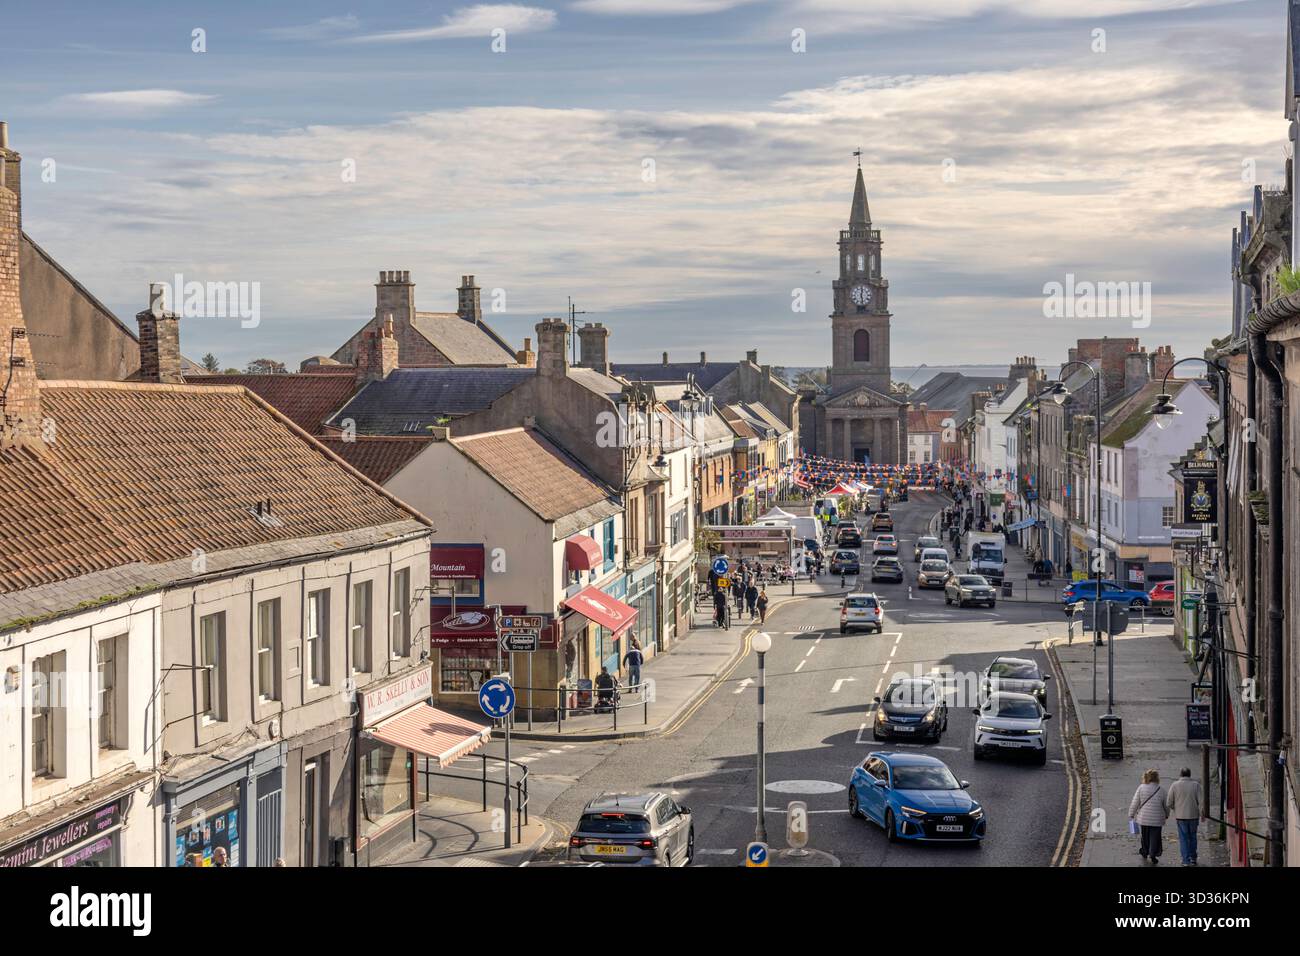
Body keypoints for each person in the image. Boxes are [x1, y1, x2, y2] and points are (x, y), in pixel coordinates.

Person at [1129, 769, 1168, 865]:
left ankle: (1145, 851)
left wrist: (1131, 813)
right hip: (1157, 819)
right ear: (1157, 778)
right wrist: (1167, 814)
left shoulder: (1141, 788)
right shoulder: (1161, 789)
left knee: (1145, 835)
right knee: (1155, 837)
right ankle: (1153, 853)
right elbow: (1166, 805)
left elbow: (1135, 802)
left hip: (1144, 818)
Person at [1166, 768, 1201, 866]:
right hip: (1193, 815)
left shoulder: (1174, 785)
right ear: (1190, 775)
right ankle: (1193, 858)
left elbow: (1169, 802)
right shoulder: (1196, 785)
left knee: (1184, 838)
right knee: (1193, 837)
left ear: (1180, 775)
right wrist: (1202, 814)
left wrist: (1176, 809)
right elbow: (1201, 802)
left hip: (1180, 816)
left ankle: (1185, 860)